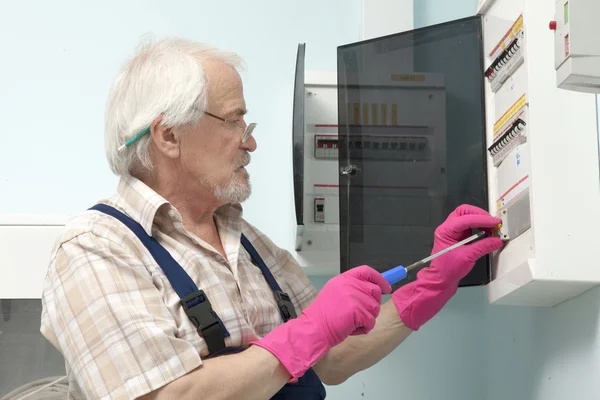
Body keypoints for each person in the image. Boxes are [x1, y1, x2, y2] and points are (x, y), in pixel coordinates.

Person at [39, 37, 504, 400]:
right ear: (169, 135)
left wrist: (432, 283)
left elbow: (333, 357)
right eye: (235, 122)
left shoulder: (255, 248)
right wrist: (314, 326)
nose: (250, 143)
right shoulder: (94, 249)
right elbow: (169, 397)